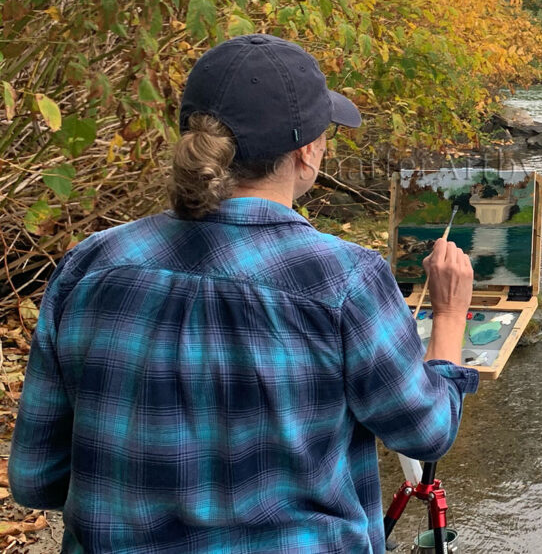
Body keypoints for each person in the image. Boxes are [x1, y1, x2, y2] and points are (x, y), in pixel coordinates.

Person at [9, 34, 478, 553]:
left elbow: (37, 480)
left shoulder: (89, 264)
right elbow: (426, 432)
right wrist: (450, 313)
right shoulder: (345, 278)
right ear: (306, 152)